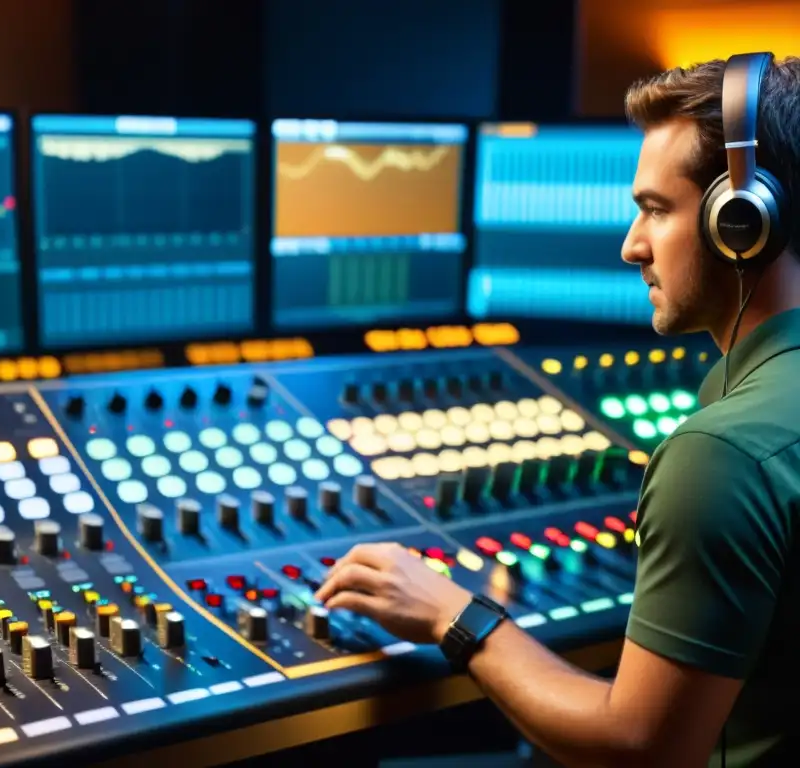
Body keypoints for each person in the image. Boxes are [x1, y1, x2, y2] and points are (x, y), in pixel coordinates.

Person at [315, 53, 800, 768]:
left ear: (742, 222)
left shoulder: (723, 453)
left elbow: (639, 750)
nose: (632, 246)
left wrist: (454, 613)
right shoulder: (747, 399)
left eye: (655, 210)